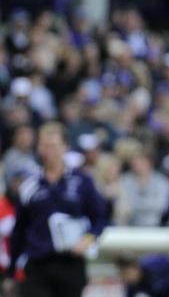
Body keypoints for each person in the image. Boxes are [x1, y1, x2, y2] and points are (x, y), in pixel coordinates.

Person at [8, 122, 108, 297]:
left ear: (65, 147)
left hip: (70, 263)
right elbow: (19, 230)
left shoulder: (81, 181)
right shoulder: (29, 185)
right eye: (44, 146)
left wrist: (88, 238)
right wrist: (11, 271)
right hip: (37, 264)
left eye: (54, 146)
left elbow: (100, 217)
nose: (49, 151)